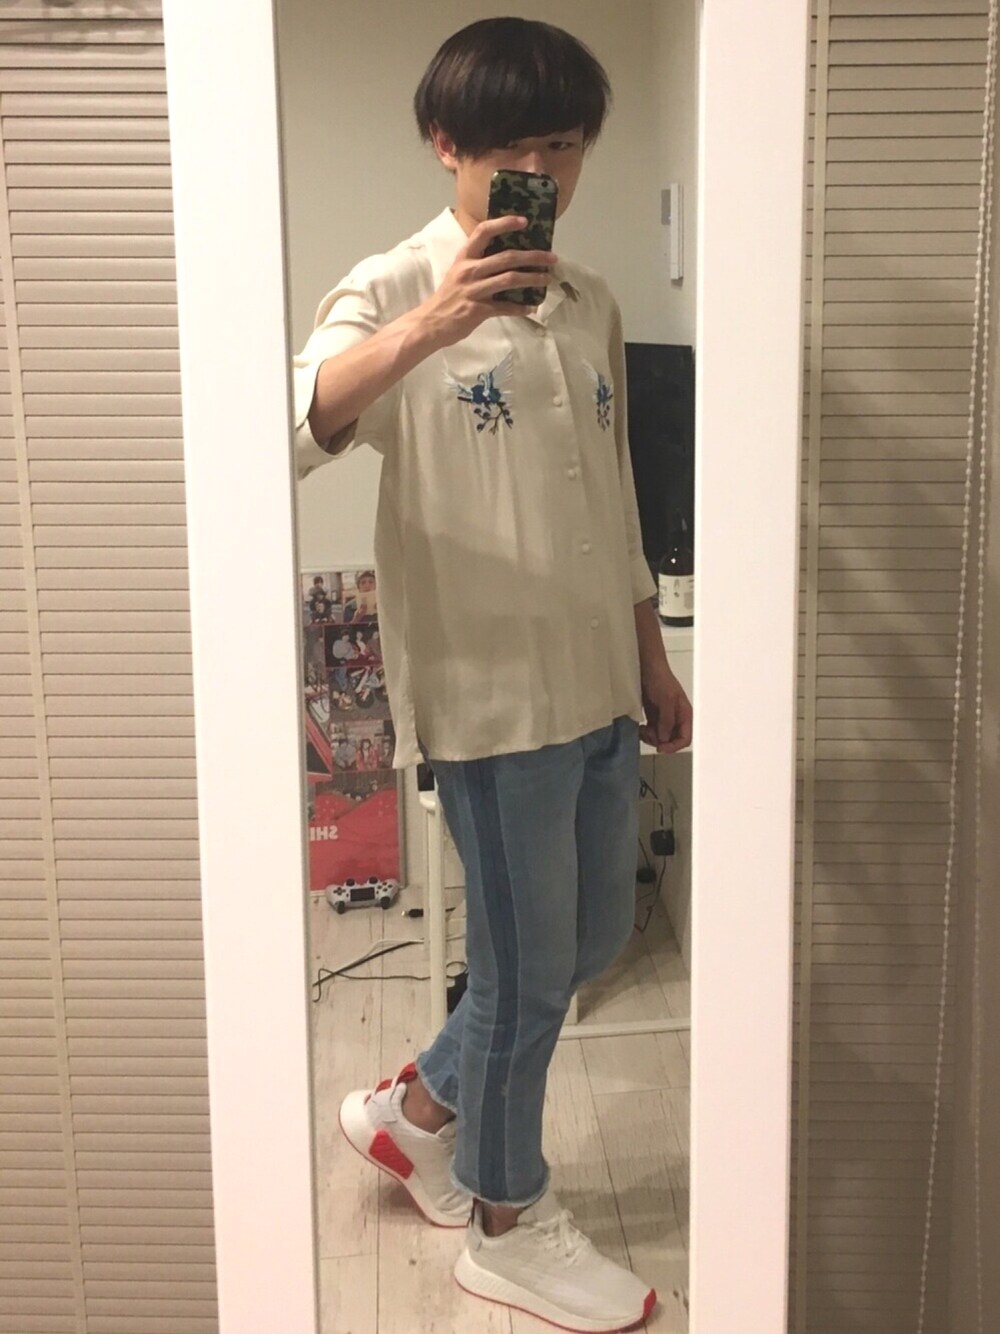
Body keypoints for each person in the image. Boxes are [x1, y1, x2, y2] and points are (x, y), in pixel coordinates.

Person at [293, 18, 692, 1332]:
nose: (543, 174)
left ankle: (413, 1109)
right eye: (515, 149)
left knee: (591, 940)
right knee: (523, 977)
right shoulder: (394, 281)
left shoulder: (591, 303)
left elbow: (618, 497)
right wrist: (435, 322)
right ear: (446, 145)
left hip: (598, 675)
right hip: (490, 694)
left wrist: (650, 654)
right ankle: (506, 1223)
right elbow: (294, 422)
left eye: (564, 148)